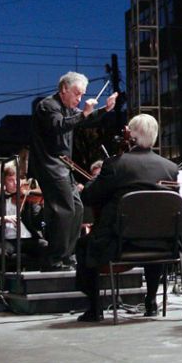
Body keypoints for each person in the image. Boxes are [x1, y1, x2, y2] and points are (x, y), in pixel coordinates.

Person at [74, 114, 179, 322]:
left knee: (83, 244)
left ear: (131, 135)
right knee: (152, 229)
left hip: (120, 243)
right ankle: (151, 301)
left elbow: (89, 196)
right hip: (161, 244)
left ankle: (95, 308)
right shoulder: (170, 168)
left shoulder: (115, 164)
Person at [29, 72, 117, 272]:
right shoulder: (47, 106)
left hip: (63, 166)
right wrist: (83, 113)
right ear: (64, 90)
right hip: (49, 165)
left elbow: (83, 120)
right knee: (65, 209)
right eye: (77, 94)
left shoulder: (68, 108)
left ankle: (68, 255)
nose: (79, 99)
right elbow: (59, 126)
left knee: (77, 208)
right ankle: (54, 259)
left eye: (82, 95)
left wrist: (105, 109)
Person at [0, 162, 48, 303]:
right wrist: (2, 219)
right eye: (10, 180)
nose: (14, 183)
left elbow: (37, 221)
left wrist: (42, 205)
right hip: (7, 240)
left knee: (45, 246)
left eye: (17, 180)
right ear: (4, 181)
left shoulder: (28, 199)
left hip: (28, 240)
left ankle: (41, 289)